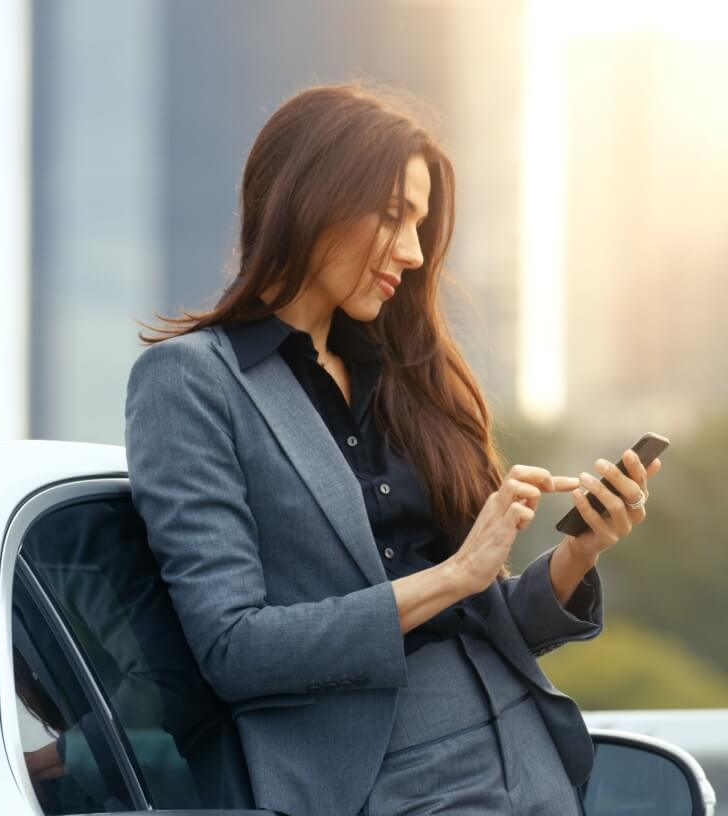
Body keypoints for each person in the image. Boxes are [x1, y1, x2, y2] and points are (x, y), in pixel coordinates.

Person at [124, 82, 662, 816]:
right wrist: (456, 574)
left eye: (420, 224)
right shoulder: (192, 381)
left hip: (528, 756)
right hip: (382, 782)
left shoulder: (405, 373)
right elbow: (233, 650)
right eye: (393, 217)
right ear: (311, 199)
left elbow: (474, 624)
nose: (412, 252)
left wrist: (576, 556)